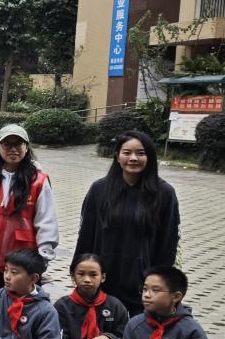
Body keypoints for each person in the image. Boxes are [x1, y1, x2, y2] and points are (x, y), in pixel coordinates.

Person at [73, 131, 180, 316]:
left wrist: (159, 282)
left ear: (150, 157)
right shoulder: (100, 189)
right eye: (127, 153)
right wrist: (80, 271)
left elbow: (168, 242)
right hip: (103, 281)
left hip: (141, 284)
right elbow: (86, 235)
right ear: (117, 156)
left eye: (140, 153)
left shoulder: (164, 193)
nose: (133, 158)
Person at [0, 124, 58, 304]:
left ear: (26, 147)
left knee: (18, 309)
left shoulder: (38, 181)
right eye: (7, 144)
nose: (13, 149)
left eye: (18, 144)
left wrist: (43, 257)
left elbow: (47, 220)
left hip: (22, 260)